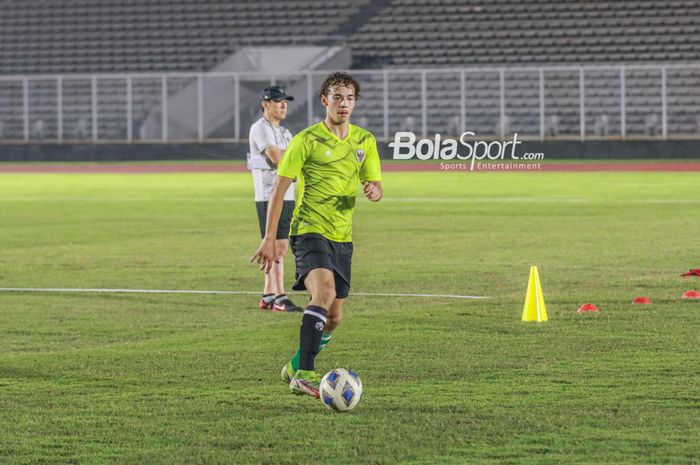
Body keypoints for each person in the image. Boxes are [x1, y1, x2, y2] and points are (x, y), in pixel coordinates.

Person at [251, 72, 383, 397]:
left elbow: (375, 184)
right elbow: (279, 190)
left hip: (343, 235)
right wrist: (270, 237)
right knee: (322, 293)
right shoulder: (306, 140)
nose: (344, 104)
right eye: (337, 97)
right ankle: (305, 375)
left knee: (335, 316)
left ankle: (294, 365)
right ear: (324, 100)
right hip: (309, 229)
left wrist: (374, 190)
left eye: (349, 98)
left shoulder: (364, 141)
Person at [248, 85, 302, 312]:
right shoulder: (261, 128)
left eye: (285, 102)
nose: (283, 105)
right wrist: (294, 162)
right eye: (278, 101)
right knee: (278, 245)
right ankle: (280, 297)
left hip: (286, 193)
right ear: (265, 104)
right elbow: (279, 159)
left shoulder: (285, 132)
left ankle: (269, 294)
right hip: (270, 195)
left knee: (279, 246)